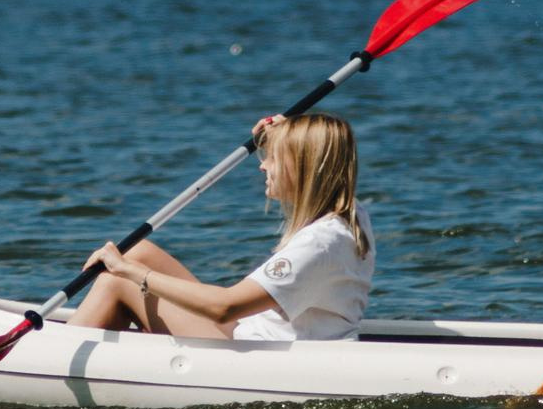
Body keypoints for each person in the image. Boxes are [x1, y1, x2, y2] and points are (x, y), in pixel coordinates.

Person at [72, 112, 375, 341]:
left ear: (304, 167)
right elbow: (327, 160)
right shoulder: (350, 213)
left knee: (117, 279)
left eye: (273, 157)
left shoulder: (319, 243)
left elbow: (225, 308)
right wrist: (281, 133)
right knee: (139, 251)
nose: (263, 165)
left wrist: (129, 272)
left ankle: (60, 353)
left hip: (258, 356)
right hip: (254, 332)